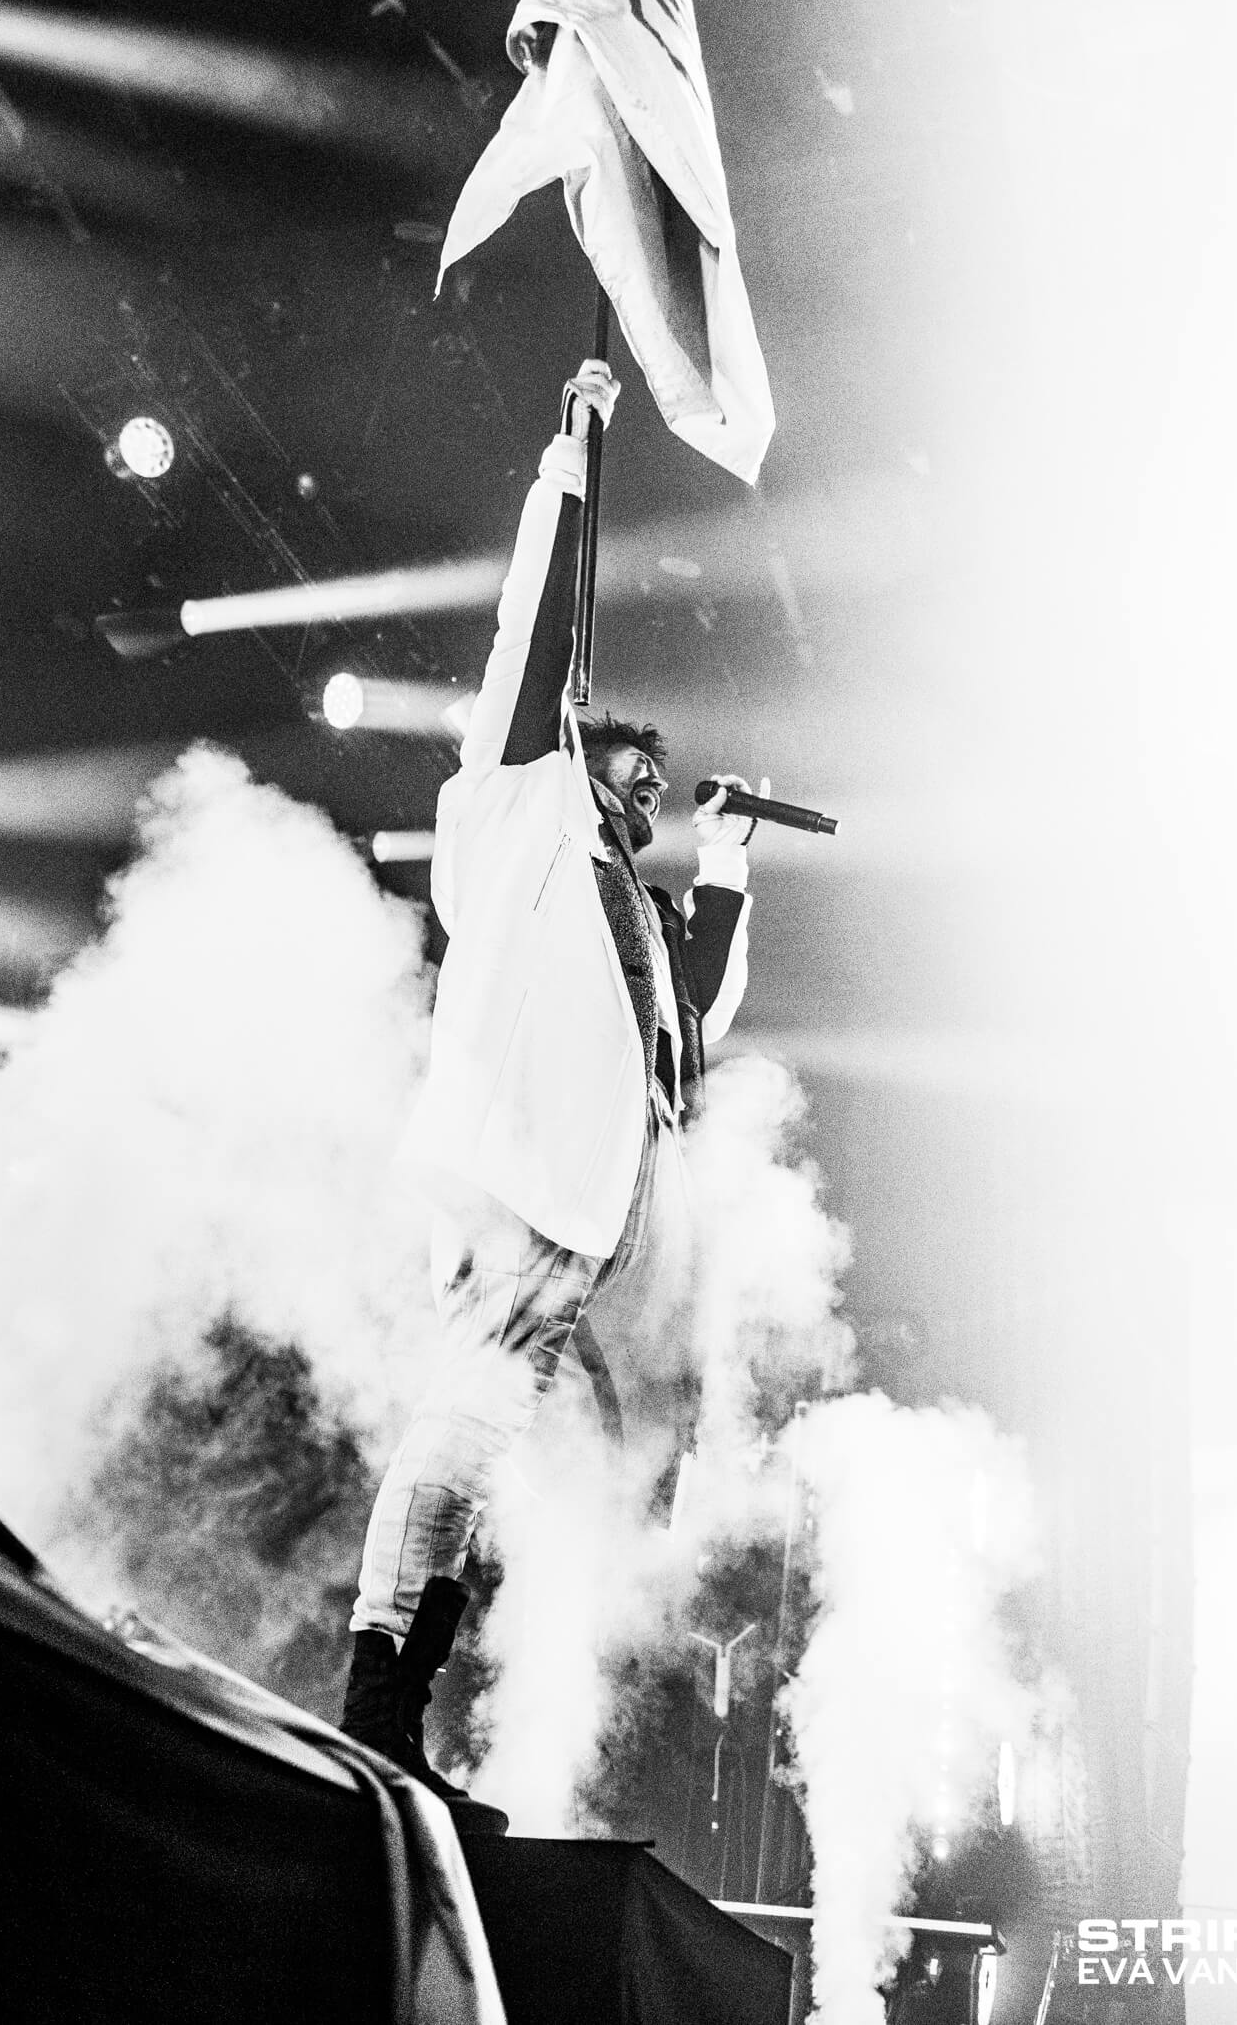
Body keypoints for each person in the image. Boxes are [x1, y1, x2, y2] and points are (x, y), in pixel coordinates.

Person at [341, 362, 759, 1831]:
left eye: (655, 794)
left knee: (479, 1454)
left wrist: (729, 874)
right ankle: (374, 1701)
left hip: (571, 1218)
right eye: (632, 771)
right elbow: (530, 642)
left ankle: (399, 1711)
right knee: (460, 1428)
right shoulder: (522, 802)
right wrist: (568, 464)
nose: (646, 798)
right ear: (583, 752)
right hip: (509, 1179)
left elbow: (690, 1032)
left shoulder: (622, 905)